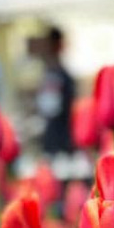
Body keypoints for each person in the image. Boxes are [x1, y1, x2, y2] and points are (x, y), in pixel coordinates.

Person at [34, 26, 76, 155]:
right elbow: (49, 108)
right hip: (57, 139)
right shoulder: (53, 74)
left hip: (62, 137)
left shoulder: (55, 73)